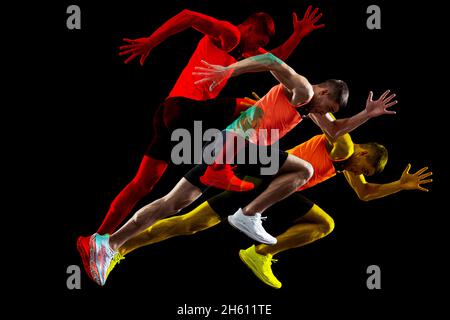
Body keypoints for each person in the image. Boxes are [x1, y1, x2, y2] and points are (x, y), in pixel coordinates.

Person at [83, 51, 397, 286]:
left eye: (326, 112)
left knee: (172, 203)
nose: (324, 113)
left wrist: (367, 115)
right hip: (239, 146)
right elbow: (274, 61)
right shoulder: (303, 89)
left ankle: (107, 243)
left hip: (226, 148)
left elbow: (335, 130)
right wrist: (228, 70)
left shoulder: (307, 108)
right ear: (325, 92)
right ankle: (248, 215)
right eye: (326, 108)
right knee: (302, 170)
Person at [78, 6, 325, 244]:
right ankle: (219, 170)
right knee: (250, 109)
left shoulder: (242, 50)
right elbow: (189, 16)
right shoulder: (231, 34)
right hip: (183, 108)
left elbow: (273, 58)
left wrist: (298, 34)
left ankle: (98, 238)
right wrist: (151, 41)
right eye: (260, 40)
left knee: (142, 184)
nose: (259, 48)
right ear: (251, 28)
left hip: (168, 115)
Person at [103, 129, 432, 288]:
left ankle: (259, 254)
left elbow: (364, 194)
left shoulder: (346, 167)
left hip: (279, 193)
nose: (361, 175)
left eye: (366, 174)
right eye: (366, 168)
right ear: (363, 152)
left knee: (322, 225)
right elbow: (328, 118)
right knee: (187, 224)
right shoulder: (342, 144)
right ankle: (119, 247)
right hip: (264, 181)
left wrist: (398, 187)